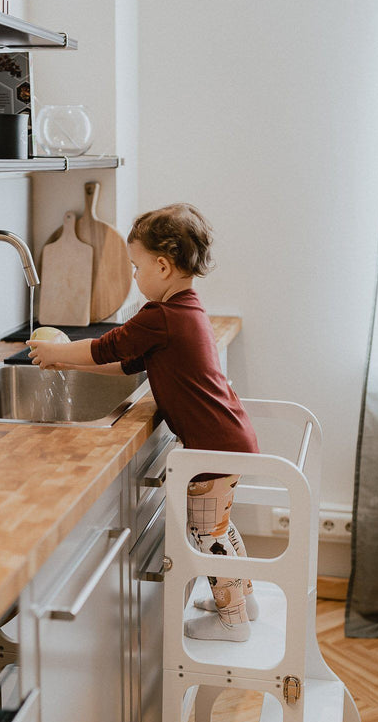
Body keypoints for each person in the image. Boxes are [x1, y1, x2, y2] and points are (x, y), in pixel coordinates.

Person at [27, 202, 259, 642]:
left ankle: (233, 623)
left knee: (206, 533)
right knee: (219, 528)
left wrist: (59, 352)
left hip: (213, 448)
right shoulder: (184, 309)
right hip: (227, 438)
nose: (134, 277)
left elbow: (107, 347)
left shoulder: (161, 316)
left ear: (163, 265)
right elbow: (128, 362)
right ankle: (243, 598)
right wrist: (70, 365)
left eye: (135, 267)